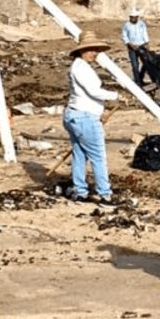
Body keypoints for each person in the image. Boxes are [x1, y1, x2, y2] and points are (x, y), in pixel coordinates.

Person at [62, 30, 119, 203]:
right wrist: (116, 96)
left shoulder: (80, 67)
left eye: (95, 50)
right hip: (84, 118)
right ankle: (105, 196)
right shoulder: (80, 68)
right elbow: (93, 91)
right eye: (90, 49)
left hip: (76, 116)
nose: (93, 53)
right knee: (98, 157)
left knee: (79, 155)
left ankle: (80, 192)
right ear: (81, 50)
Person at [121, 8, 149, 84]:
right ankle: (138, 82)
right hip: (132, 48)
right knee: (135, 66)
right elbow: (124, 36)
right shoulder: (126, 25)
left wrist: (147, 43)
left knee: (146, 63)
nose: (133, 18)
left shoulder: (141, 24)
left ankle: (141, 77)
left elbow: (144, 33)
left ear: (137, 17)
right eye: (131, 17)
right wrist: (130, 44)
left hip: (141, 46)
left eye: (134, 17)